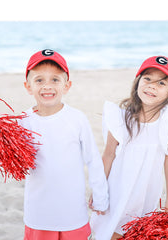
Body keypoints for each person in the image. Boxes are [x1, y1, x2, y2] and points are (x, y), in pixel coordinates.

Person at [20, 49, 109, 240]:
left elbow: (93, 160)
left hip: (73, 213)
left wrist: (101, 197)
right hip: (38, 212)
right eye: (39, 80)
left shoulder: (77, 119)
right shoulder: (23, 121)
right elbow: (14, 163)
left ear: (66, 85)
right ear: (28, 86)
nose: (47, 86)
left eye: (55, 79)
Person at [90, 56, 168, 240]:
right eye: (147, 78)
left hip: (146, 192)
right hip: (118, 190)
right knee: (111, 231)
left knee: (136, 233)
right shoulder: (120, 118)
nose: (152, 86)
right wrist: (98, 190)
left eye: (161, 83)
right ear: (137, 82)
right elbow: (108, 156)